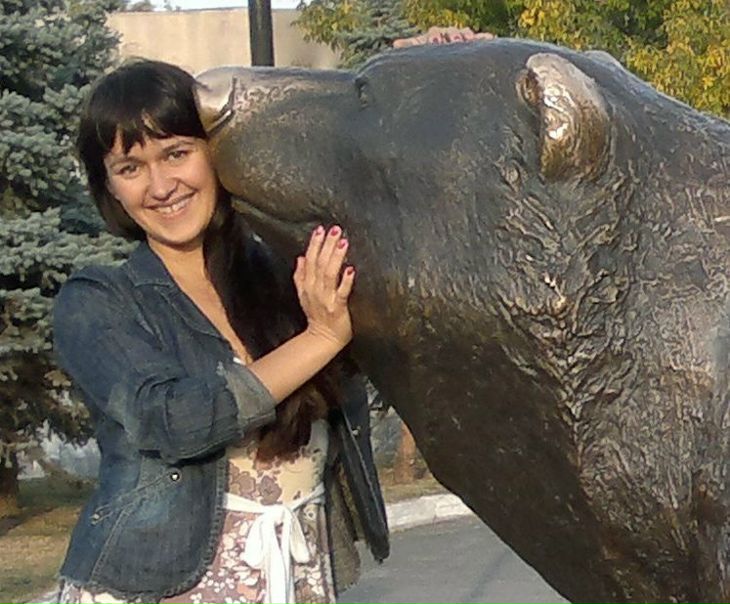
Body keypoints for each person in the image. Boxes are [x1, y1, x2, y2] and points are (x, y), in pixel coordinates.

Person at [53, 26, 489, 604]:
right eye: (130, 168)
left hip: (298, 580)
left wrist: (433, 82)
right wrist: (321, 337)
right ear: (109, 187)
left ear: (216, 152)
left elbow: (389, 213)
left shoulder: (287, 275)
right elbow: (174, 421)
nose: (160, 186)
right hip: (157, 590)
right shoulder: (97, 301)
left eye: (177, 153)